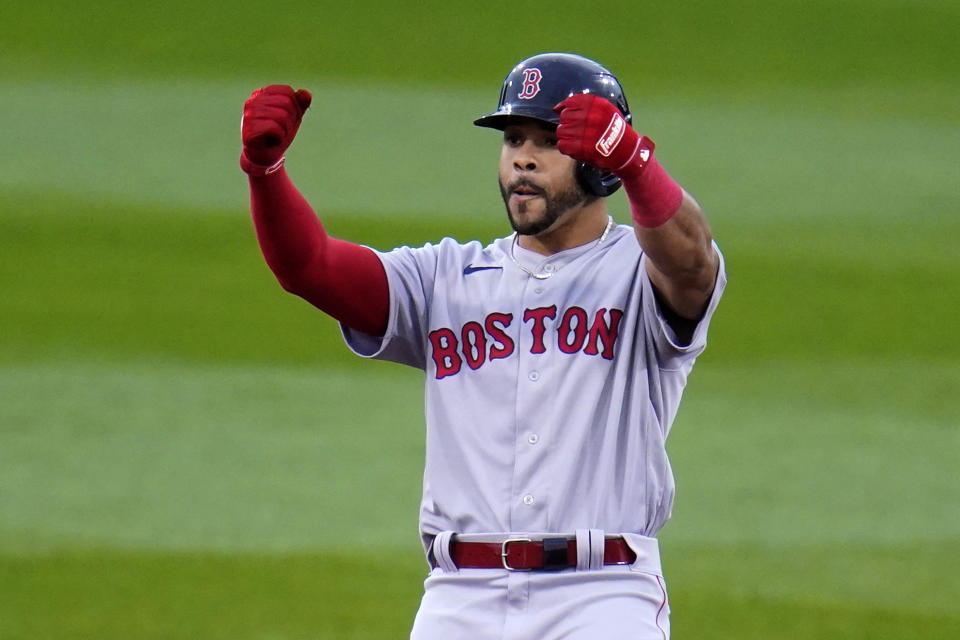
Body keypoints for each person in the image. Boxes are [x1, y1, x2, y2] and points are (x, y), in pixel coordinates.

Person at [240, 52, 725, 640]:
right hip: (460, 598)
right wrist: (265, 173)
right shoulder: (444, 277)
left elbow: (692, 261)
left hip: (601, 595)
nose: (522, 157)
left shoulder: (639, 270)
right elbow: (311, 267)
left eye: (548, 140)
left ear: (600, 165)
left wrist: (636, 162)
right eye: (513, 138)